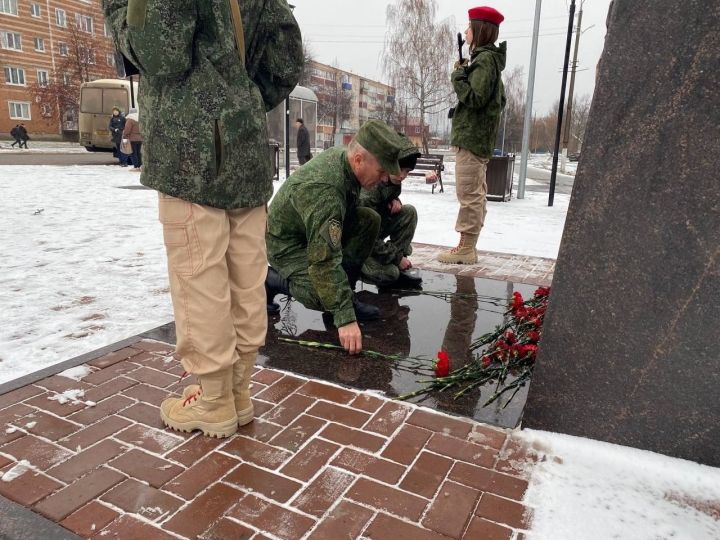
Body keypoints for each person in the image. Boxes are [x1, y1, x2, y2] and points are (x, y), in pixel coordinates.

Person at [103, 0, 303, 438]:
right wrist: (240, 95)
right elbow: (286, 58)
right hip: (246, 143)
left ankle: (214, 402)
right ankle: (237, 392)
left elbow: (159, 50)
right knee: (244, 275)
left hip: (187, 145)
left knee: (200, 275)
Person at [265, 119, 405, 355]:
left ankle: (345, 295)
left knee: (368, 220)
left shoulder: (348, 162)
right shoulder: (326, 191)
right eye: (381, 171)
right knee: (323, 295)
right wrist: (344, 317)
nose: (384, 179)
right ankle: (272, 279)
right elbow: (324, 261)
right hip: (288, 246)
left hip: (310, 234)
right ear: (359, 159)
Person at [438, 5, 506, 264]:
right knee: (474, 191)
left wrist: (458, 77)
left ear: (479, 30)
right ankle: (468, 245)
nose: (465, 31)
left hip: (471, 139)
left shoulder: (485, 60)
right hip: (475, 138)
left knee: (469, 193)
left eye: (469, 26)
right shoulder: (487, 61)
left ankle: (466, 248)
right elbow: (498, 99)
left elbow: (476, 98)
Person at [359, 136, 423, 289]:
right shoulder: (370, 189)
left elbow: (388, 195)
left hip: (376, 231)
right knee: (390, 274)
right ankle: (354, 270)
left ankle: (395, 262)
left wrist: (396, 201)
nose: (403, 175)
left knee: (409, 212)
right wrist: (397, 258)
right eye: (401, 169)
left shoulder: (393, 180)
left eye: (407, 171)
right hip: (358, 244)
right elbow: (367, 237)